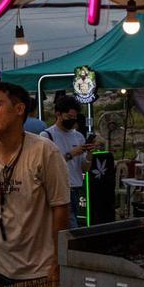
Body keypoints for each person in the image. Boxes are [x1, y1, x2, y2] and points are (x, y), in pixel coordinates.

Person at [0, 82, 71, 287]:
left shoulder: (45, 152)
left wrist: (58, 261)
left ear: (19, 109)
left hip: (38, 271)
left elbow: (60, 208)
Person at [40, 96, 95, 228]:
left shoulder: (78, 136)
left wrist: (89, 153)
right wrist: (72, 153)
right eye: (69, 117)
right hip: (59, 188)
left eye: (74, 118)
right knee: (70, 226)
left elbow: (85, 168)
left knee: (65, 225)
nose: (72, 120)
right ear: (58, 114)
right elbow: (46, 164)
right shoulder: (46, 136)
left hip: (76, 187)